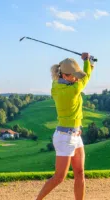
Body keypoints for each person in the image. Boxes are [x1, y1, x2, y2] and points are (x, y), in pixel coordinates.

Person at [36, 53, 94, 200]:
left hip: (76, 135)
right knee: (59, 177)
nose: (76, 78)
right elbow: (85, 78)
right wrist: (88, 62)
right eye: (74, 75)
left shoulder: (57, 84)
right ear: (66, 75)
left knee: (80, 173)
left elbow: (83, 76)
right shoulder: (70, 91)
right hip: (65, 138)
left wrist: (89, 64)